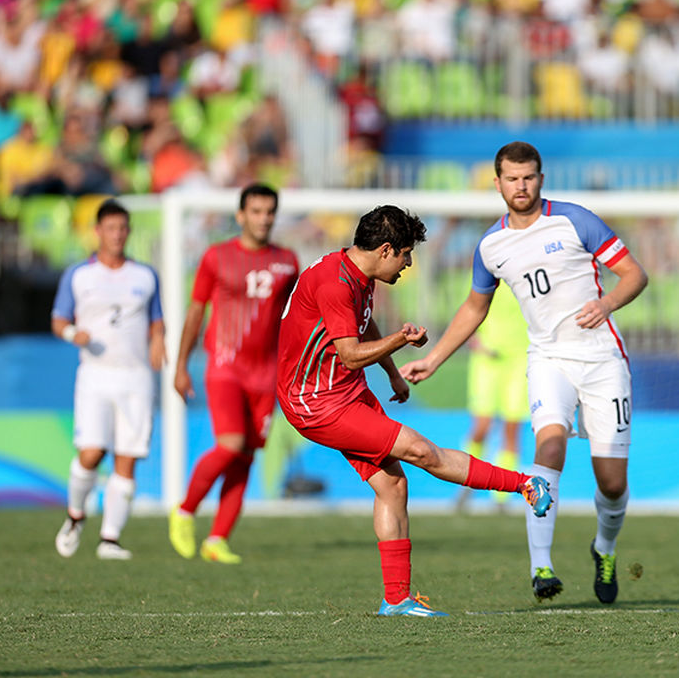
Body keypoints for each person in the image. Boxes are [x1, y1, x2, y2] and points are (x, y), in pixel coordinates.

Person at [401, 142, 648, 605]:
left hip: (601, 360)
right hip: (548, 360)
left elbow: (635, 274)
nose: (521, 185)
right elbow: (475, 308)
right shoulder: (491, 246)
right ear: (497, 183)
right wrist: (434, 359)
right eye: (512, 178)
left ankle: (605, 547)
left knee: (611, 483)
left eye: (529, 176)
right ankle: (541, 567)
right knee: (548, 447)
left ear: (541, 178)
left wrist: (607, 302)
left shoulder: (576, 220)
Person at [276, 205, 552, 618]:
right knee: (421, 451)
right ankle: (523, 484)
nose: (408, 264)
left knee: (393, 486)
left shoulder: (356, 271)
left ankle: (396, 600)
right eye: (406, 254)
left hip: (342, 391)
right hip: (316, 401)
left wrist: (392, 374)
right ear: (386, 250)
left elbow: (359, 326)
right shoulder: (336, 283)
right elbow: (350, 354)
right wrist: (401, 340)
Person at [169, 184, 299, 565]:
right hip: (225, 366)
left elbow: (299, 313)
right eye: (256, 211)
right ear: (240, 215)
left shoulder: (288, 261)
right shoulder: (216, 257)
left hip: (266, 373)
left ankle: (217, 539)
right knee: (230, 444)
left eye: (269, 211)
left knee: (244, 457)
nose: (264, 219)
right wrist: (180, 367)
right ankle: (185, 509)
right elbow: (195, 312)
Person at [52, 200, 166, 560]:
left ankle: (110, 539)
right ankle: (75, 515)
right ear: (98, 231)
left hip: (135, 376)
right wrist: (73, 334)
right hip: (95, 375)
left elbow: (156, 319)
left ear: (128, 231)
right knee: (91, 452)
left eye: (123, 228)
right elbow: (58, 319)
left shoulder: (145, 275)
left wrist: (159, 341)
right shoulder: (78, 275)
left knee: (127, 457)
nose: (117, 235)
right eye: (111, 228)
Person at [457, 282, 529, 511]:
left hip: (520, 359)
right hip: (487, 360)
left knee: (512, 429)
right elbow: (468, 310)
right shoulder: (484, 271)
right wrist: (473, 339)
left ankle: (501, 499)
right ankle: (465, 482)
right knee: (482, 427)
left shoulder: (528, 273)